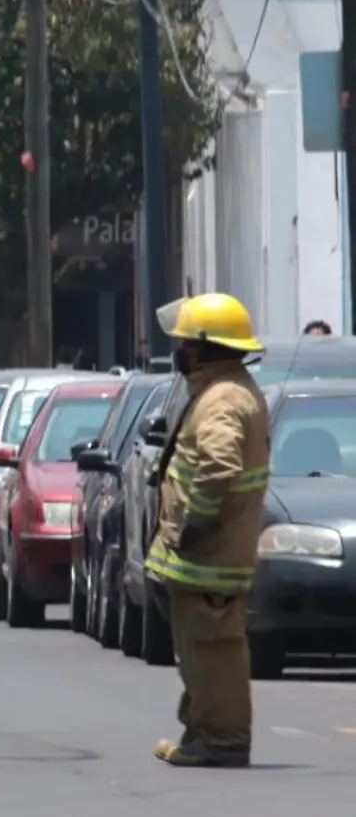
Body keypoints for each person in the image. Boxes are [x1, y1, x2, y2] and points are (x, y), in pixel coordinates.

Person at [145, 293, 269, 768]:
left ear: (203, 348)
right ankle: (201, 733)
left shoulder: (223, 401)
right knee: (199, 654)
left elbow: (219, 467)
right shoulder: (222, 391)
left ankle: (221, 741)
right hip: (208, 558)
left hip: (210, 558)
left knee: (213, 655)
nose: (178, 351)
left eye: (184, 343)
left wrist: (196, 522)